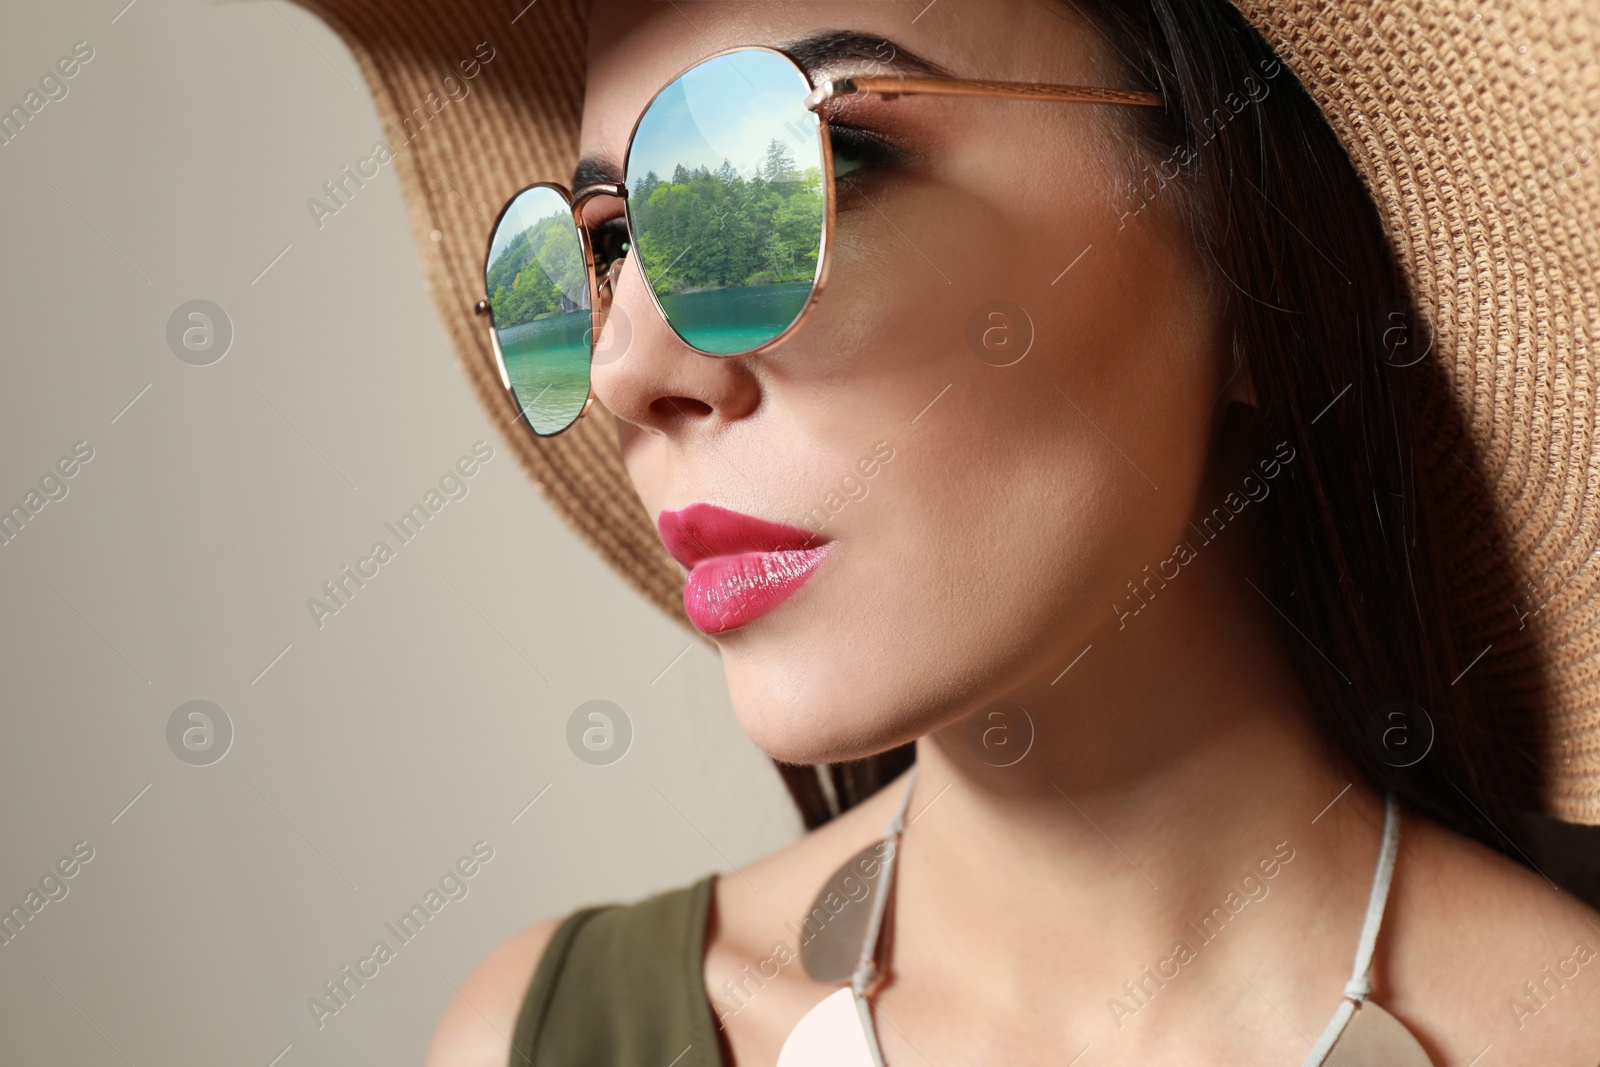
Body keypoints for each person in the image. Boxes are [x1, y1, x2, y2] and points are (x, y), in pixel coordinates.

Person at [292, 0, 1600, 1062]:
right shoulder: (549, 1040)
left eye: (778, 168)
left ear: (1244, 254)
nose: (630, 364)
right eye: (612, 241)